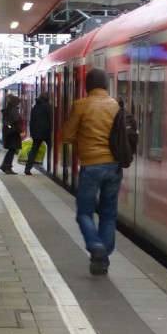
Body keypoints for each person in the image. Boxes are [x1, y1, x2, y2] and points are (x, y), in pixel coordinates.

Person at [62, 69, 120, 275]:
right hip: (114, 166)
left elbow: (67, 136)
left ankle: (96, 245)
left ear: (87, 85)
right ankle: (102, 261)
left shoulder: (81, 105)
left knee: (84, 212)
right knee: (108, 214)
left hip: (91, 166)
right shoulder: (116, 106)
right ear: (106, 84)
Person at [24, 93, 52, 175]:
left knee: (34, 150)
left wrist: (32, 133)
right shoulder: (49, 107)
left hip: (37, 133)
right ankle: (50, 166)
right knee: (50, 149)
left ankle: (27, 169)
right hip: (47, 132)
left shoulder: (35, 107)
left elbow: (31, 121)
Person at [0, 95, 23, 174]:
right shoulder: (14, 110)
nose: (20, 104)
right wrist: (20, 131)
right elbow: (16, 121)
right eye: (19, 102)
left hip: (8, 132)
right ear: (16, 103)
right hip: (13, 133)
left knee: (11, 150)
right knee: (12, 150)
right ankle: (8, 167)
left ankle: (4, 165)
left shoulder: (8, 110)